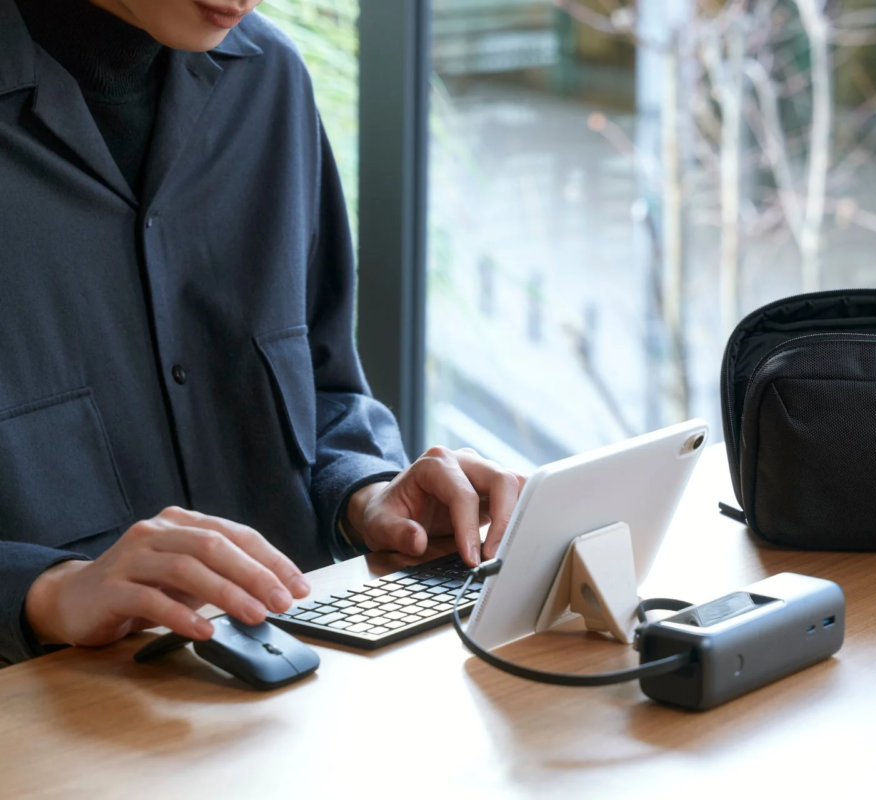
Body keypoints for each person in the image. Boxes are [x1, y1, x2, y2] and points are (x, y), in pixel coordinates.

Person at [0, 0, 523, 666]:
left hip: (301, 690)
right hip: (44, 728)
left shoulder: (268, 81)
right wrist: (47, 592)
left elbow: (326, 387)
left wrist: (367, 496)